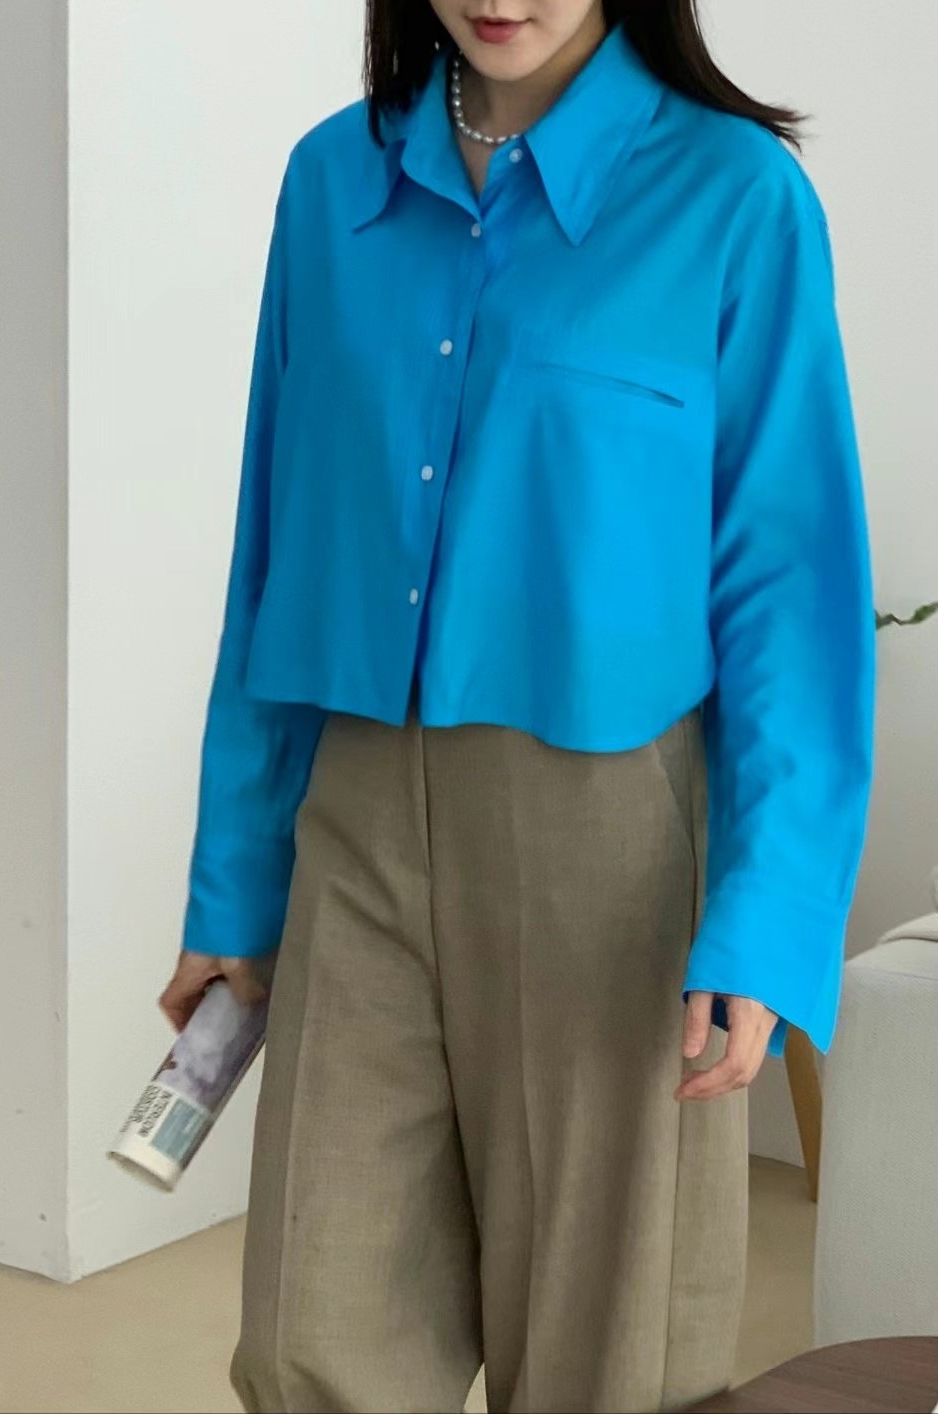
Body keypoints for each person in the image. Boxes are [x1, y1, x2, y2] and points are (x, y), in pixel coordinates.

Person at [160, 2, 876, 1410]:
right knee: (313, 1331)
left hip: (610, 844)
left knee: (606, 1353)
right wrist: (234, 887)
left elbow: (790, 589)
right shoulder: (332, 180)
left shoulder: (736, 196)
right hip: (358, 819)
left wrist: (769, 915)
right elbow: (275, 548)